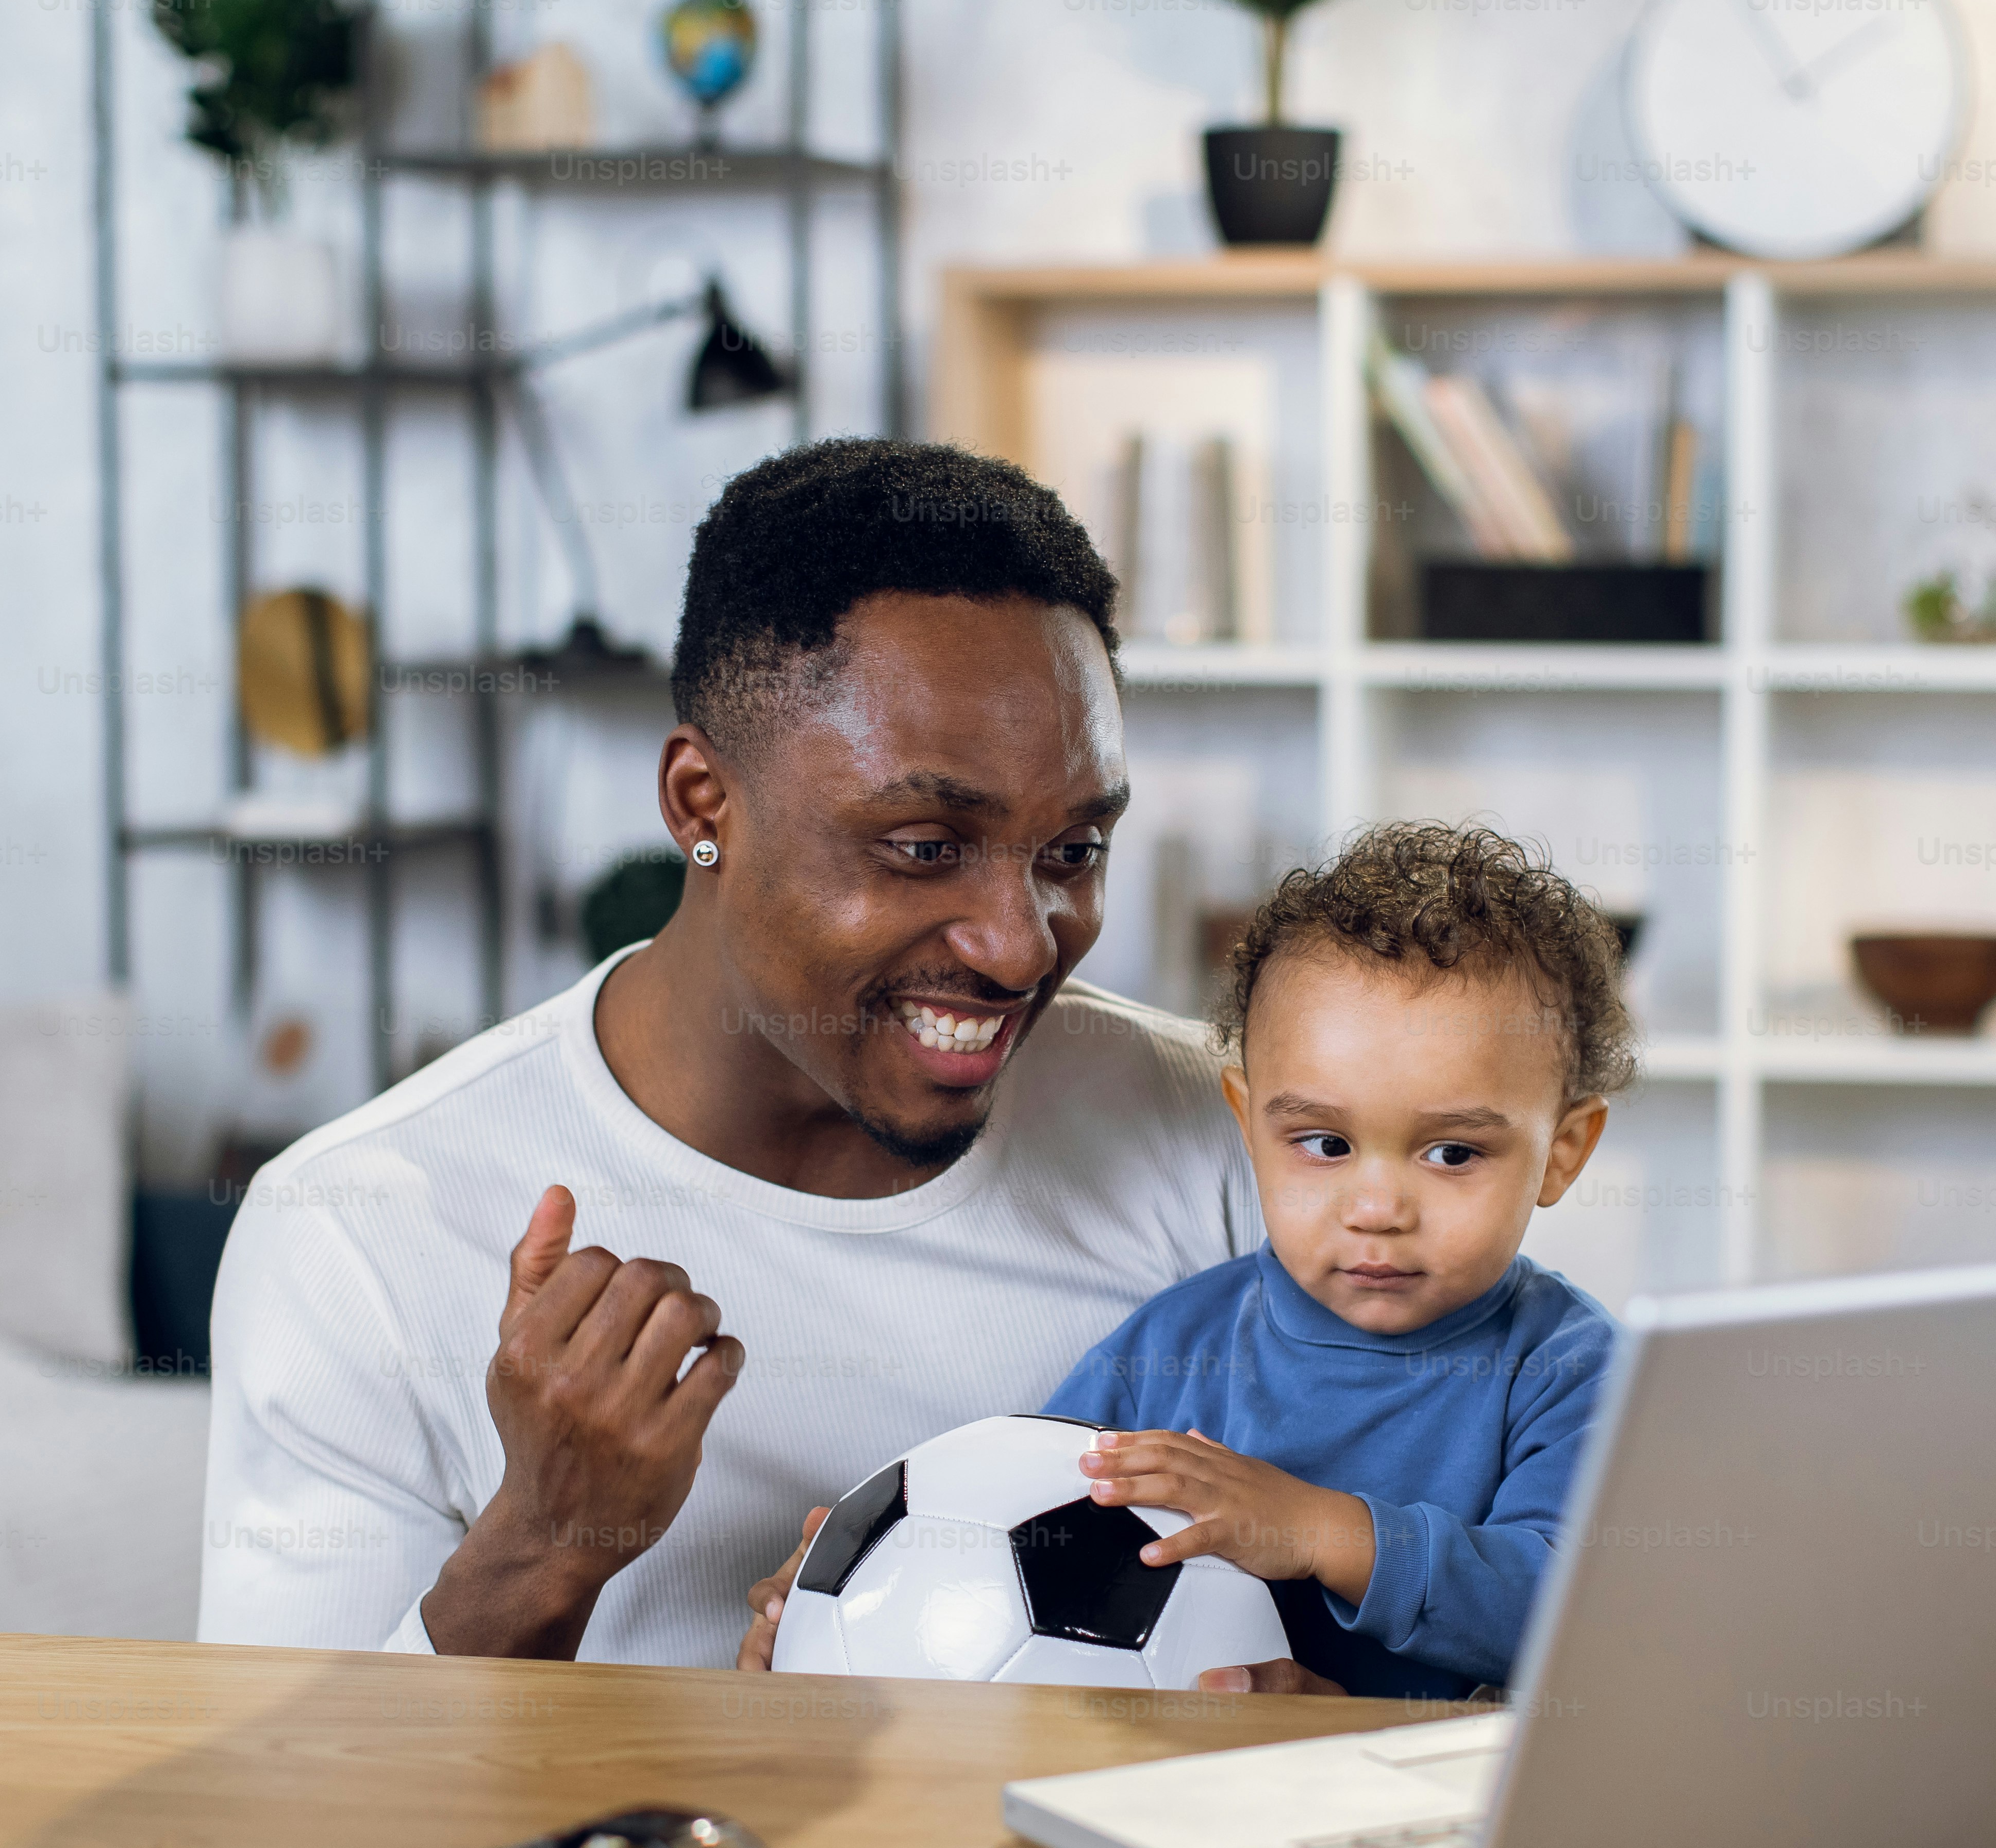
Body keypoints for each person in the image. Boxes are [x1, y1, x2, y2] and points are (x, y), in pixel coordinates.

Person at [198, 439, 1323, 1675]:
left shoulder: (1233, 1140)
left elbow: (1455, 1635)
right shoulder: (360, 1228)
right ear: (699, 806)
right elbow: (294, 1809)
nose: (1017, 948)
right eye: (921, 845)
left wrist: (1315, 1697)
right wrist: (546, 1543)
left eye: (1071, 851)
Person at [1042, 823, 1631, 1698]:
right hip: (1179, 1785)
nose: (1377, 1211)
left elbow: (1577, 1616)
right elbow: (1022, 1520)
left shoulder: (1570, 1371)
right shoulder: (1171, 1344)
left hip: (1433, 1808)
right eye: (1324, 1143)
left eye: (1453, 1155)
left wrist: (1319, 1530)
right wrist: (871, 1578)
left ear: (1562, 1152)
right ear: (1247, 1123)